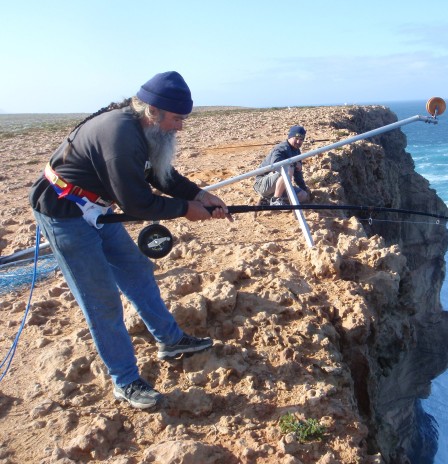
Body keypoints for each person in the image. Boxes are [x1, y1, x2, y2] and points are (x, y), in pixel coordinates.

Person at [29, 71, 230, 410]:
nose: (181, 126)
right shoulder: (120, 135)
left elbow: (157, 174)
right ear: (153, 111)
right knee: (102, 300)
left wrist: (199, 194)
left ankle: (170, 340)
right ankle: (125, 380)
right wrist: (186, 209)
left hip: (96, 208)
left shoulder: (143, 128)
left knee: (136, 270)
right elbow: (137, 202)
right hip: (65, 213)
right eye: (177, 118)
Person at [253, 125, 311, 205]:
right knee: (288, 168)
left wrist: (303, 188)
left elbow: (298, 174)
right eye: (296, 138)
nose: (298, 142)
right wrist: (294, 164)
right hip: (263, 184)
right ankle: (275, 200)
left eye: (301, 140)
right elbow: (276, 164)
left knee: (303, 196)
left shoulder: (297, 151)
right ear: (290, 137)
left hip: (280, 185)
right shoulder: (281, 148)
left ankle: (267, 200)